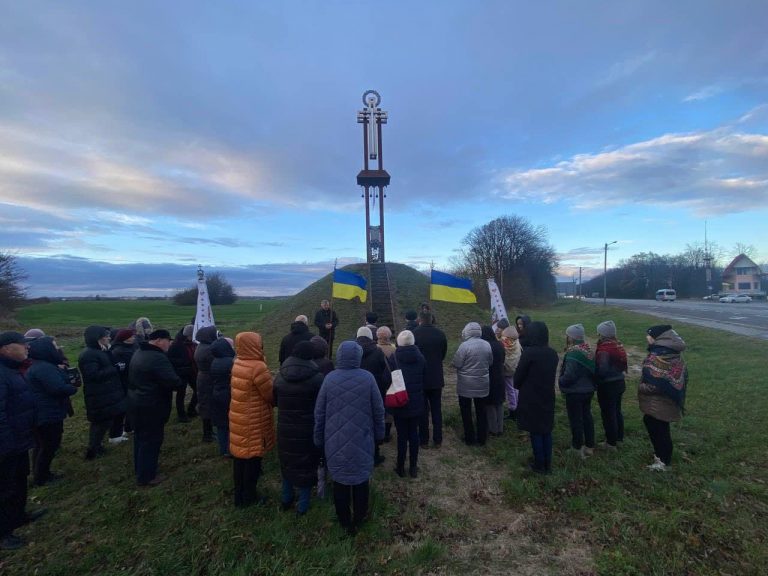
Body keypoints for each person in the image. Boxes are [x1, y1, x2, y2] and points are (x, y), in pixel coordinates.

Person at [314, 341, 385, 535]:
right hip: (363, 437)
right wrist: (380, 434)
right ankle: (359, 517)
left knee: (340, 481)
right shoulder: (368, 378)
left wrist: (318, 438)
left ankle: (344, 519)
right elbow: (378, 410)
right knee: (361, 480)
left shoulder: (329, 379)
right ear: (358, 356)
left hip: (334, 440)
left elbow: (319, 412)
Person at [1, 332, 46, 550]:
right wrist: (6, 443)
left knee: (19, 480)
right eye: (22, 345)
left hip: (20, 438)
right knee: (4, 487)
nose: (27, 348)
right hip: (7, 443)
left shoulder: (13, 369)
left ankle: (18, 515)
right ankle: (3, 533)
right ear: (6, 349)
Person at [273, 341, 323, 515]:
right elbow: (321, 405)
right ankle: (302, 505)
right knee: (306, 464)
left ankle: (286, 498)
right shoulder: (317, 378)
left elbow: (274, 400)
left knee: (287, 461)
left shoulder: (280, 377)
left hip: (285, 428)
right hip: (307, 428)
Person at [127, 329, 181, 486]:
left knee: (140, 438)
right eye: (168, 340)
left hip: (136, 402)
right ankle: (147, 477)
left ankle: (141, 468)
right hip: (152, 406)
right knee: (151, 441)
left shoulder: (139, 352)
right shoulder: (157, 357)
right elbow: (173, 381)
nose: (170, 344)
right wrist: (179, 381)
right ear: (158, 340)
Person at [229, 332, 275, 507]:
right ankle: (249, 497)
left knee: (240, 457)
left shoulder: (237, 362)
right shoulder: (258, 367)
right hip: (254, 419)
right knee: (253, 458)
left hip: (239, 416)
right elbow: (269, 394)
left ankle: (239, 495)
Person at [26, 336, 78, 486]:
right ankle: (42, 477)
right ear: (46, 349)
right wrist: (72, 388)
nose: (57, 348)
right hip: (47, 413)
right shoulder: (44, 368)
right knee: (49, 445)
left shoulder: (40, 365)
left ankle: (38, 473)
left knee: (41, 445)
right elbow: (58, 388)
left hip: (42, 411)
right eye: (54, 346)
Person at [639, 325, 688, 471]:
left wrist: (641, 387)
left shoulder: (658, 355)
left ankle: (663, 461)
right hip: (669, 398)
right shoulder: (671, 352)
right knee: (658, 426)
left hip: (659, 401)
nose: (647, 338)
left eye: (649, 335)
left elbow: (656, 385)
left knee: (658, 429)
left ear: (657, 337)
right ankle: (661, 456)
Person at [513, 321, 558, 474]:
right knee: (546, 430)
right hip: (548, 395)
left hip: (531, 397)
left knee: (535, 431)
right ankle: (548, 464)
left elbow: (518, 377)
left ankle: (539, 465)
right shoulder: (552, 353)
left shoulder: (529, 353)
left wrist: (518, 385)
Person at [78, 326, 128, 459]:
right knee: (99, 423)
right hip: (98, 394)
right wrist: (115, 369)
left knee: (105, 421)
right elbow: (93, 375)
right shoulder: (89, 355)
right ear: (97, 338)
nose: (109, 338)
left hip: (106, 393)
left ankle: (97, 447)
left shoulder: (103, 351)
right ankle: (92, 451)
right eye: (105, 336)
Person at [389, 331, 425, 478]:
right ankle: (413, 467)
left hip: (399, 401)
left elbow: (387, 378)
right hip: (416, 401)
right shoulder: (420, 357)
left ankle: (400, 467)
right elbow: (424, 376)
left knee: (402, 435)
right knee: (414, 433)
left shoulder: (394, 357)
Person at [558, 324, 597, 459]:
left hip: (575, 392)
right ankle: (590, 446)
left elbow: (570, 375)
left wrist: (561, 381)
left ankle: (577, 448)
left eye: (567, 335)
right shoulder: (588, 350)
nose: (566, 337)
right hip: (588, 390)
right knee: (587, 417)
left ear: (571, 337)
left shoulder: (573, 353)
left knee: (576, 420)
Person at [453, 322, 493, 446]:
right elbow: (490, 362)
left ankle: (469, 438)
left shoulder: (464, 346)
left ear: (466, 332)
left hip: (466, 384)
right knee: (481, 411)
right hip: (482, 383)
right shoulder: (487, 344)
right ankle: (482, 438)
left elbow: (457, 363)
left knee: (466, 411)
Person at [355, 326, 390, 465]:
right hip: (376, 390)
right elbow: (385, 372)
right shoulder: (378, 352)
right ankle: (375, 454)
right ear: (371, 336)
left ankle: (359, 451)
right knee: (375, 420)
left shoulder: (352, 351)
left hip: (355, 393)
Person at [413, 311, 447, 448]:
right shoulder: (440, 334)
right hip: (436, 376)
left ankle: (424, 440)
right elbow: (443, 354)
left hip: (421, 377)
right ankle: (438, 440)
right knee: (436, 409)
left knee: (422, 410)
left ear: (419, 320)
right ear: (432, 320)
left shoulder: (415, 334)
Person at [595, 321, 628, 449]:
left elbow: (602, 371)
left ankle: (610, 442)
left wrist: (595, 378)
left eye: (599, 332)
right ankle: (619, 438)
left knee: (608, 414)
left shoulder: (604, 350)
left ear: (602, 334)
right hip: (619, 382)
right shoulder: (618, 345)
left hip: (608, 385)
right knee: (617, 411)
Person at [210, 337, 235, 457]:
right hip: (228, 394)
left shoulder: (215, 361)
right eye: (231, 346)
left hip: (217, 394)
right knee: (230, 423)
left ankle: (223, 449)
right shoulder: (230, 362)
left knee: (221, 424)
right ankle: (230, 449)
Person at [193, 325, 218, 443]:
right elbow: (215, 362)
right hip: (208, 379)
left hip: (203, 378)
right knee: (207, 405)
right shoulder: (208, 349)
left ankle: (209, 431)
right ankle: (207, 434)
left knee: (205, 403)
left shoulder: (201, 346)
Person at [168, 325, 197, 420]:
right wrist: (184, 362)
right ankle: (181, 415)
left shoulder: (193, 343)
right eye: (192, 335)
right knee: (181, 393)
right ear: (187, 335)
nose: (193, 337)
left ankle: (191, 410)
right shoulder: (176, 345)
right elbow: (170, 359)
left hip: (191, 371)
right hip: (181, 373)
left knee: (197, 390)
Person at [481, 325, 506, 437]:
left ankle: (493, 429)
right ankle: (500, 428)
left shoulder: (485, 346)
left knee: (490, 404)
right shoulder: (500, 344)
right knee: (499, 403)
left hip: (489, 377)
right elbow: (503, 359)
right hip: (500, 376)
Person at [110, 329, 136, 436]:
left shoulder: (132, 347)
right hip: (123, 382)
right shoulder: (118, 351)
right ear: (125, 339)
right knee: (124, 407)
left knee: (131, 405)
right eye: (131, 336)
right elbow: (120, 368)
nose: (134, 337)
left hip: (131, 381)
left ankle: (129, 427)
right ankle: (117, 432)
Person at [500, 326, 522, 420]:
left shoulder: (507, 346)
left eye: (505, 338)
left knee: (510, 390)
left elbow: (506, 358)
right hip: (516, 370)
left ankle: (513, 409)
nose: (503, 339)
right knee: (515, 389)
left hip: (508, 371)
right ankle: (518, 406)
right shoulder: (517, 343)